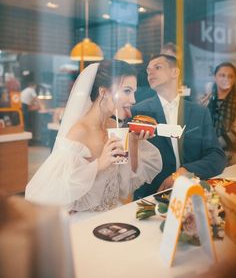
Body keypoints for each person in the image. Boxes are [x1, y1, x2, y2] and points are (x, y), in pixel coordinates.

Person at [25, 60, 162, 215]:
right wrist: (98, 165)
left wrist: (134, 143)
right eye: (127, 91)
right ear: (103, 92)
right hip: (84, 221)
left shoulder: (114, 127)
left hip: (113, 215)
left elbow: (125, 186)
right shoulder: (78, 133)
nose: (133, 100)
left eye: (133, 92)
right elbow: (48, 194)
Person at [132, 54, 227, 199]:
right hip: (151, 196)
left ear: (175, 72)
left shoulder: (199, 112)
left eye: (157, 67)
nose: (150, 72)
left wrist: (185, 171)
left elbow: (217, 156)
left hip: (193, 193)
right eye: (148, 70)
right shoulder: (138, 112)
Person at [200, 62, 236, 165]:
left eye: (230, 76)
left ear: (234, 80)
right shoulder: (204, 100)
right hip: (204, 156)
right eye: (222, 75)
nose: (226, 79)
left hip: (230, 157)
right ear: (215, 77)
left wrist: (213, 145)